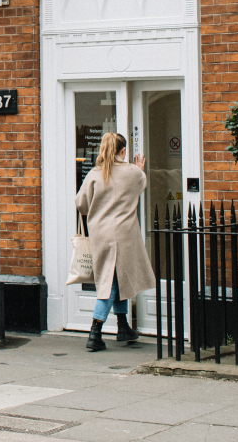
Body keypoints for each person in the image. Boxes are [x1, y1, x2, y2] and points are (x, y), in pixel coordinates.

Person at [75, 132, 156, 352]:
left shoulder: (94, 173)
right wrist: (139, 169)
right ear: (123, 151)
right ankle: (95, 332)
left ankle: (123, 327)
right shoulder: (132, 172)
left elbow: (81, 204)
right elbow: (141, 185)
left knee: (117, 279)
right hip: (124, 235)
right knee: (111, 283)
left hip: (101, 234)